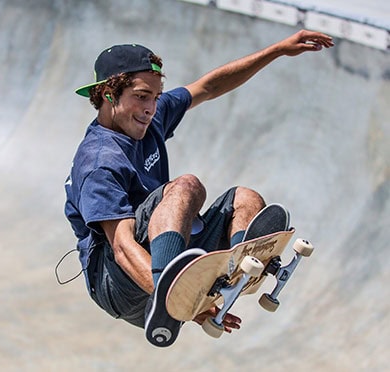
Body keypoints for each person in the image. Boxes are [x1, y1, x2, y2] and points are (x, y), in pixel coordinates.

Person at [64, 30, 333, 347]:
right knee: (186, 187)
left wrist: (277, 50)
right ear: (110, 95)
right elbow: (122, 246)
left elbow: (208, 87)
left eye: (155, 96)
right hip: (117, 281)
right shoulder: (99, 162)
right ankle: (170, 284)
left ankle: (236, 271)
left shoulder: (150, 115)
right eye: (141, 96)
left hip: (160, 259)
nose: (151, 108)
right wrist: (178, 300)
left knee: (245, 200)